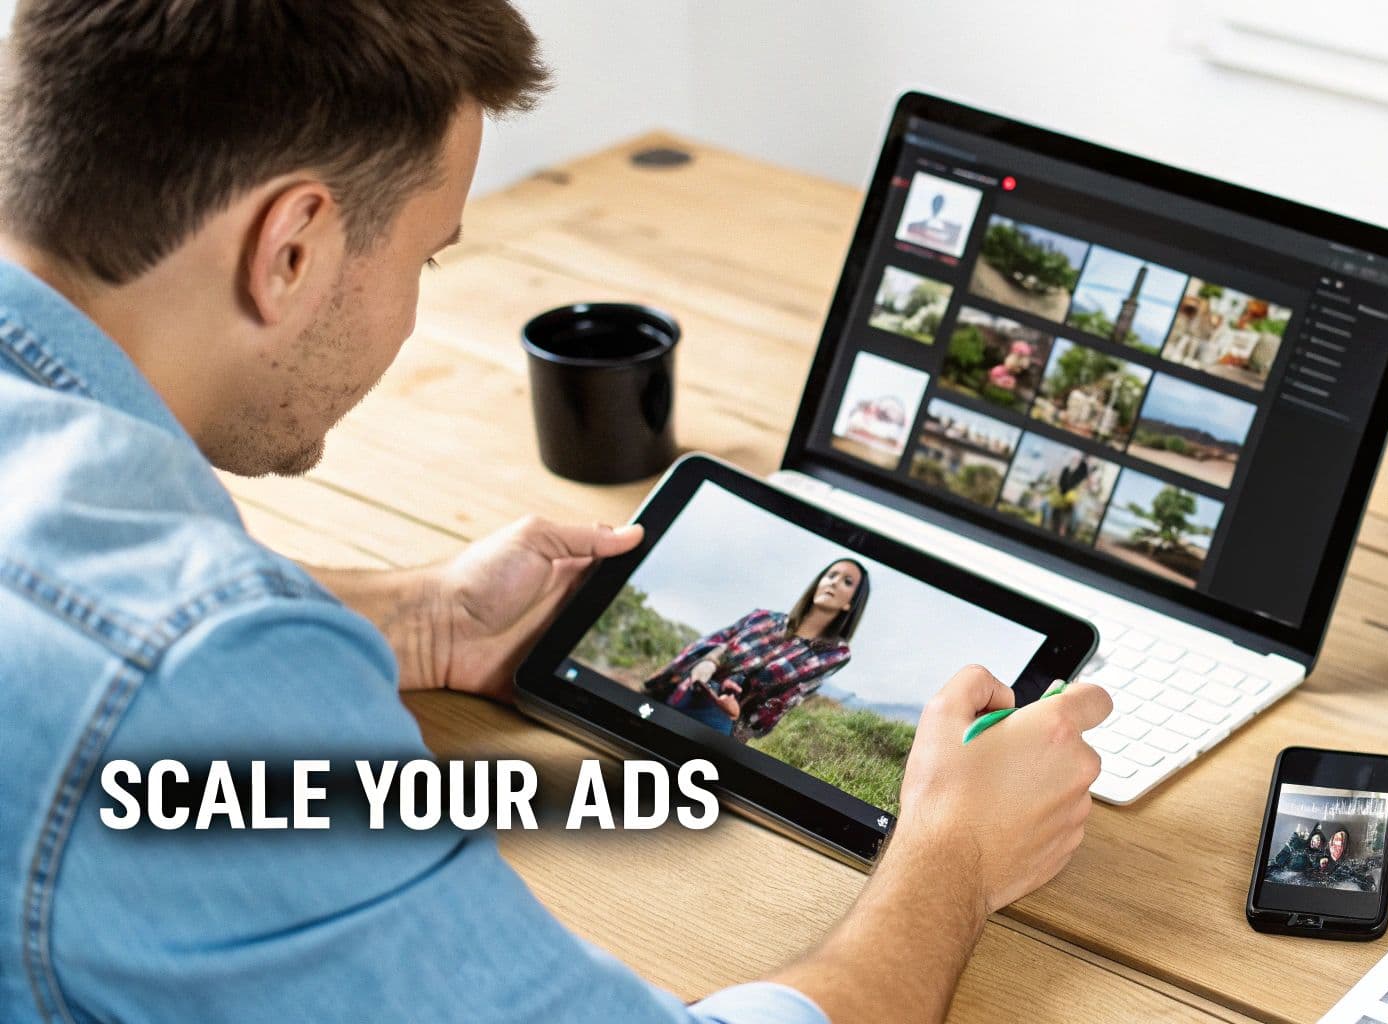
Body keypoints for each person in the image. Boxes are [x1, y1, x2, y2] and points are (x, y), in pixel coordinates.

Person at [0, 4, 1113, 1023]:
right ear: (291, 247)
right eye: (428, 255)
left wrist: (416, 615)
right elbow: (152, 653)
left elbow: (84, 605)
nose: (410, 311)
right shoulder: (192, 681)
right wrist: (954, 856)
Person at [644, 560, 867, 738]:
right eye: (831, 575)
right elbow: (722, 641)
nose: (835, 582)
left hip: (720, 717)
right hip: (688, 689)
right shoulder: (763, 618)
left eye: (847, 581)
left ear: (851, 603)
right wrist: (708, 662)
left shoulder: (830, 654)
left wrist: (737, 713)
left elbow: (785, 698)